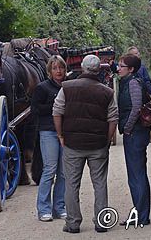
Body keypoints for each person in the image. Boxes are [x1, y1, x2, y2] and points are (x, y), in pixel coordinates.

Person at [53, 55, 118, 234]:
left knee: (72, 184)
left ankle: (73, 223)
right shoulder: (107, 92)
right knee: (100, 183)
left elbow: (57, 112)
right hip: (98, 145)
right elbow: (113, 118)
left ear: (82, 67)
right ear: (99, 70)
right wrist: (107, 140)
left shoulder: (67, 87)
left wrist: (60, 135)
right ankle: (101, 222)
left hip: (73, 144)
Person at [31, 55, 67, 222]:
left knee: (64, 172)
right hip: (48, 132)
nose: (58, 71)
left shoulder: (68, 86)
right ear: (49, 71)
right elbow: (35, 109)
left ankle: (59, 207)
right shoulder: (43, 88)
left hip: (66, 132)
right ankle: (43, 208)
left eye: (60, 68)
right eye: (55, 68)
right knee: (50, 170)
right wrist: (55, 106)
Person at [117, 54, 151, 226]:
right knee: (135, 174)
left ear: (131, 69)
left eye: (122, 66)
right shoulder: (129, 81)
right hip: (136, 132)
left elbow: (136, 108)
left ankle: (141, 214)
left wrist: (127, 128)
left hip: (135, 133)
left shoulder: (132, 83)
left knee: (137, 175)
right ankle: (140, 212)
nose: (118, 68)